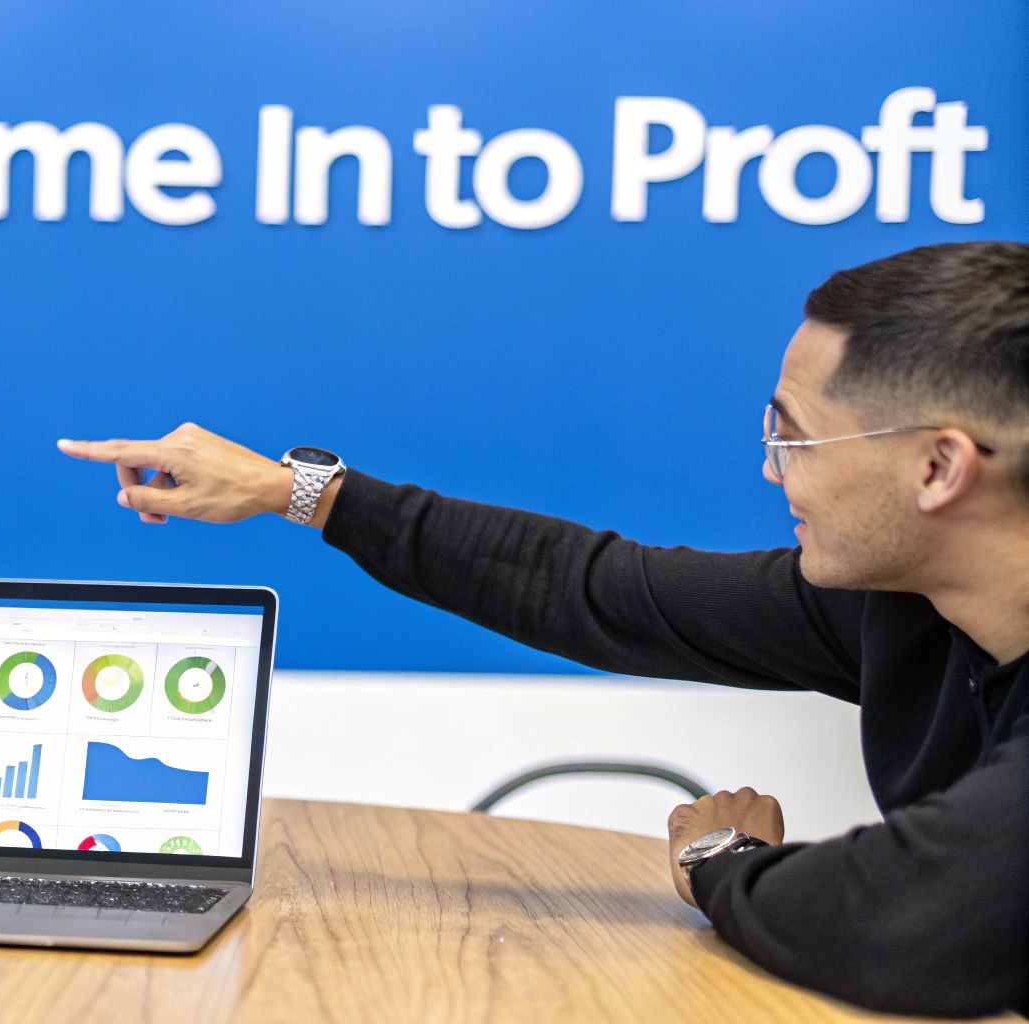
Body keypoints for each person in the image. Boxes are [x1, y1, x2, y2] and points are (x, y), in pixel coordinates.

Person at [59, 241, 1029, 1017]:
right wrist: (297, 492)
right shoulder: (904, 606)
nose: (772, 472)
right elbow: (586, 587)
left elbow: (897, 921)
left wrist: (713, 858)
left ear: (938, 468)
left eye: (792, 435)